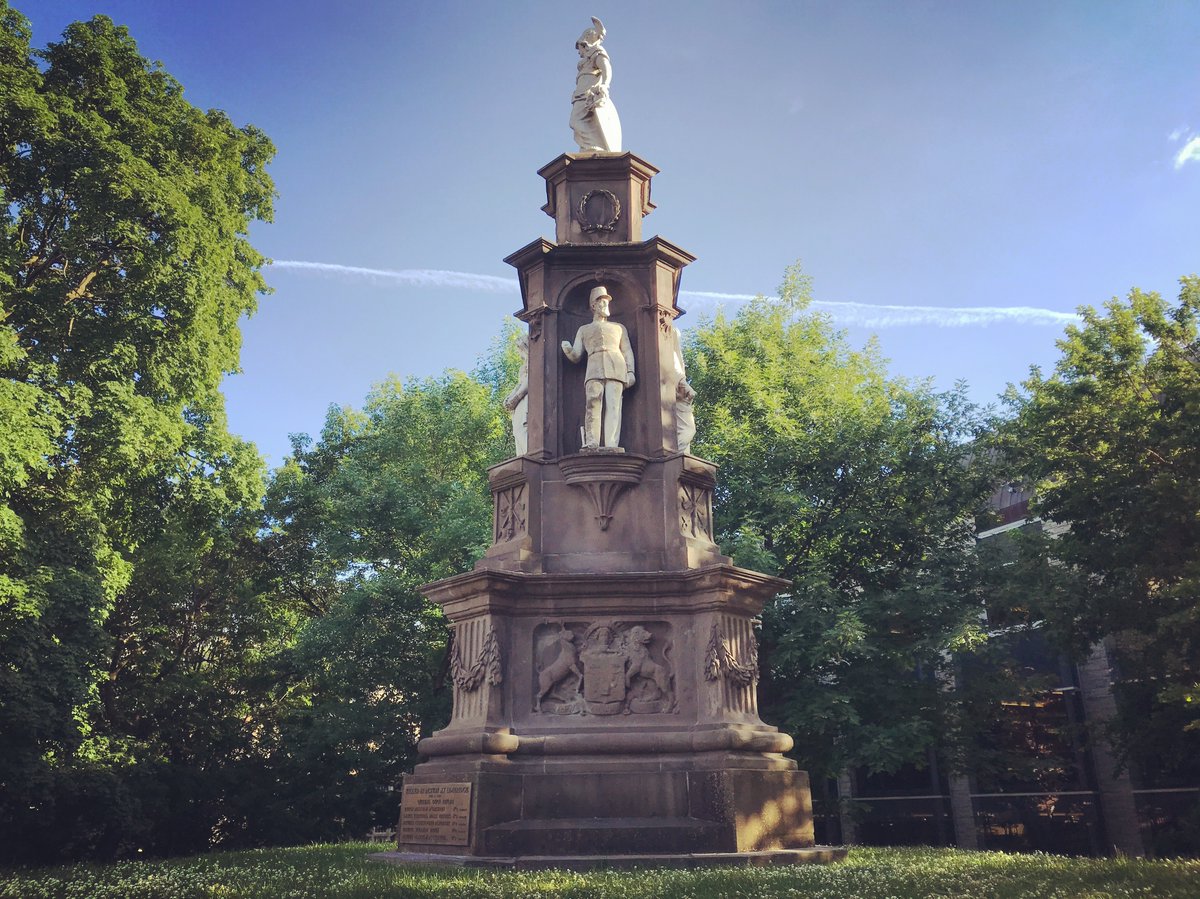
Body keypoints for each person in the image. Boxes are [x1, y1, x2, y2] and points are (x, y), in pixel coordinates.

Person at [561, 286, 635, 449]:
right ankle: (592, 442)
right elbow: (576, 355)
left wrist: (631, 371)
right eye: (601, 302)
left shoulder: (618, 328)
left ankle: (611, 444)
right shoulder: (584, 329)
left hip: (616, 367)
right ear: (593, 306)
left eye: (606, 302)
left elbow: (627, 351)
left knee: (614, 406)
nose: (605, 305)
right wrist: (568, 350)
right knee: (593, 404)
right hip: (594, 368)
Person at [570, 17, 622, 152]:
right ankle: (590, 146)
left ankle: (593, 146)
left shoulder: (596, 52)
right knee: (579, 122)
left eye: (579, 46)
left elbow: (606, 69)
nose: (578, 50)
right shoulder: (587, 58)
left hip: (589, 93)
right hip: (580, 94)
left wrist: (605, 85)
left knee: (576, 121)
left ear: (585, 43)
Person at [503, 333, 529, 455]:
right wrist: (510, 397)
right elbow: (520, 384)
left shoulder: (532, 363)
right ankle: (523, 455)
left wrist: (516, 397)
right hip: (520, 399)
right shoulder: (523, 366)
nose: (519, 353)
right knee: (517, 429)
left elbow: (530, 380)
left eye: (519, 349)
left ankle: (528, 455)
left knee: (521, 429)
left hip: (525, 399)